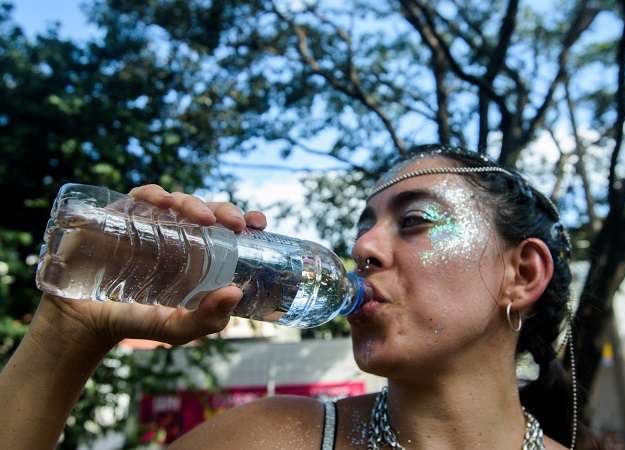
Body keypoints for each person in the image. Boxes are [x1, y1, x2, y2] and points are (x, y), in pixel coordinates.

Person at [0, 144, 577, 449]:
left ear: (522, 273)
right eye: (364, 225)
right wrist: (67, 334)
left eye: (416, 221)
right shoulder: (267, 440)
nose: (364, 247)